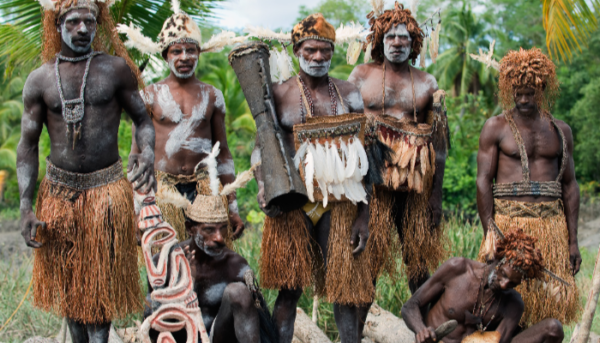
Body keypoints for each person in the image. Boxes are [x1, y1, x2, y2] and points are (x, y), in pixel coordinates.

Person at [17, 0, 155, 342]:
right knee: (68, 284)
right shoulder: (40, 80)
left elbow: (142, 120)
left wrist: (147, 152)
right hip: (58, 195)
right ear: (57, 24)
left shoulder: (116, 70)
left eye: (89, 22)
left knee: (99, 287)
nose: (82, 29)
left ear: (98, 23)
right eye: (74, 21)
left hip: (106, 192)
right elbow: (28, 145)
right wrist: (23, 206)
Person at [251, 14, 370, 343]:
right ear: (296, 50)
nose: (318, 57)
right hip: (294, 200)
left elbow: (367, 156)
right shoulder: (278, 94)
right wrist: (263, 185)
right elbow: (262, 146)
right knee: (290, 291)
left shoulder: (349, 94)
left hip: (341, 201)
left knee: (345, 291)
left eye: (325, 50)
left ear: (332, 51)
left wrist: (365, 214)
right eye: (310, 50)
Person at [119, 1, 244, 242]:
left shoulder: (212, 96)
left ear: (199, 53)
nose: (184, 57)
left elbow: (224, 153)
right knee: (165, 261)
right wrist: (137, 210)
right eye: (176, 51)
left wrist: (232, 208)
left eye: (190, 50)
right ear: (166, 55)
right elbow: (136, 154)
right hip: (162, 189)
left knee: (207, 263)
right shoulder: (149, 95)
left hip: (205, 189)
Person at [476, 47, 580, 327]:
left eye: (530, 93)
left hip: (552, 228)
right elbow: (483, 180)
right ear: (510, 89)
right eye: (518, 92)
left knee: (549, 305)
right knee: (503, 306)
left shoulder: (561, 131)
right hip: (508, 228)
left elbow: (570, 186)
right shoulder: (495, 127)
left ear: (542, 89)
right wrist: (490, 233)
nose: (523, 99)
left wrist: (572, 240)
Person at [144, 145, 275, 343]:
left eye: (222, 228)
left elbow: (264, 330)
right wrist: (183, 287)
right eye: (208, 230)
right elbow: (151, 325)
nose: (219, 238)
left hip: (217, 338)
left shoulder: (236, 266)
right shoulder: (163, 262)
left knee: (238, 292)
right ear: (190, 228)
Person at [402, 229, 565, 343]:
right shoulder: (458, 269)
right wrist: (421, 330)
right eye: (504, 275)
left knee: (553, 328)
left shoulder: (513, 304)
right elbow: (410, 306)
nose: (504, 285)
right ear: (497, 259)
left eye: (513, 283)